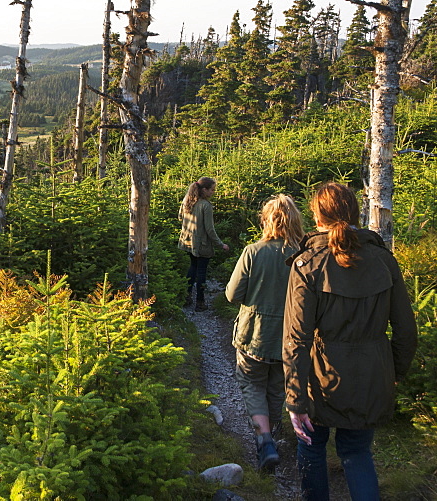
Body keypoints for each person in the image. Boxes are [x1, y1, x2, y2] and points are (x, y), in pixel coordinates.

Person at [283, 182, 418, 501]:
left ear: (316, 217)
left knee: (312, 449)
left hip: (322, 379)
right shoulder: (384, 260)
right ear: (356, 213)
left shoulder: (307, 263)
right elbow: (406, 331)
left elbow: (295, 339)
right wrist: (394, 374)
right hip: (371, 376)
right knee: (357, 454)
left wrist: (294, 399)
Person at [225, 194, 305, 471]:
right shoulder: (304, 254)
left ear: (266, 221)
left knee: (251, 383)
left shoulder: (253, 252)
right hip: (290, 337)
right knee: (276, 386)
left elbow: (232, 294)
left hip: (254, 334)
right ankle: (278, 435)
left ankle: (265, 440)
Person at [178, 177, 228, 311]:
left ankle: (186, 297)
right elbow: (210, 229)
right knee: (201, 272)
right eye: (212, 190)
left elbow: (180, 218)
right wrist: (220, 244)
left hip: (188, 241)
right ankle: (200, 303)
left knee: (193, 267)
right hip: (202, 244)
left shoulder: (187, 200)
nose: (213, 192)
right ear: (204, 189)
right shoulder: (205, 206)